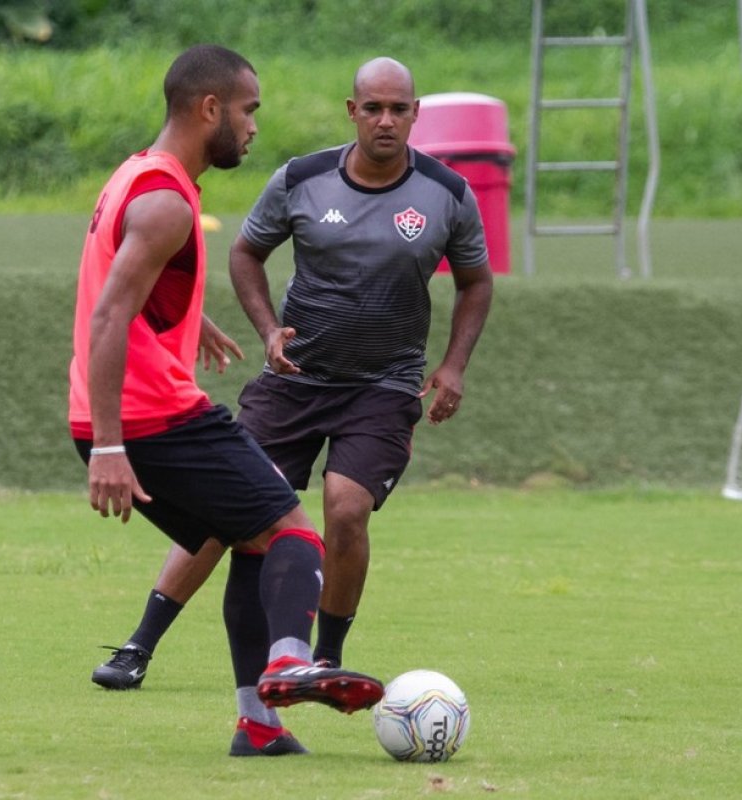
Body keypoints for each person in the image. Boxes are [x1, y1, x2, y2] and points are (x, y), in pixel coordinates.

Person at [92, 56, 493, 690]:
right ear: (352, 111)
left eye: (398, 109)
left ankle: (324, 659)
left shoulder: (448, 193)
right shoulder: (301, 179)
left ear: (415, 113)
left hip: (384, 385)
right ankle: (140, 644)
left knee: (346, 509)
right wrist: (267, 329)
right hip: (295, 378)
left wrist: (454, 365)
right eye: (373, 108)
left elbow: (476, 282)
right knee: (233, 506)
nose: (385, 120)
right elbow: (246, 252)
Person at [69, 44, 385, 757]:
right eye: (248, 111)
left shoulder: (134, 176)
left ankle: (259, 727)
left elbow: (116, 280)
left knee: (254, 541)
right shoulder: (165, 202)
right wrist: (112, 446)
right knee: (297, 534)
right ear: (209, 108)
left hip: (113, 416)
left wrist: (189, 317)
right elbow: (108, 315)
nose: (253, 127)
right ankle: (289, 663)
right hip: (154, 417)